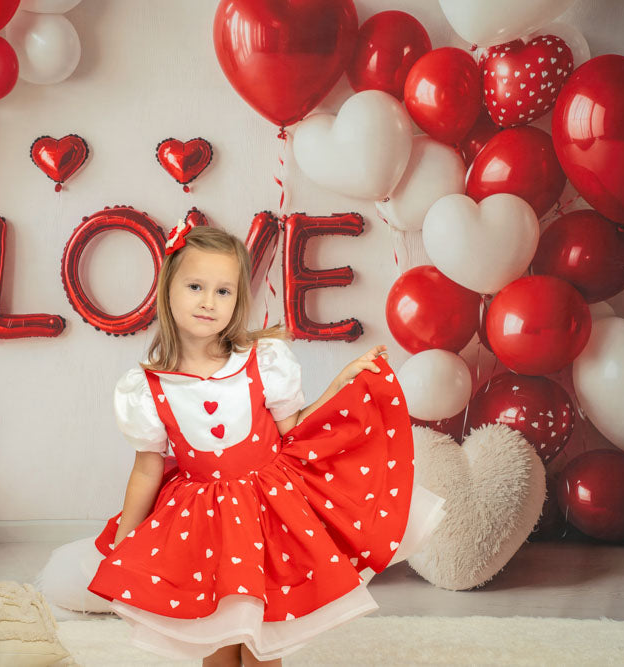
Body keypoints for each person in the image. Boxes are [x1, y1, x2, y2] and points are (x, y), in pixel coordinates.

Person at [81, 220, 447, 665]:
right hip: (203, 526)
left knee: (262, 644)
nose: (208, 301)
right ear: (168, 290)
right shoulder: (146, 387)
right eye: (195, 286)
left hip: (268, 517)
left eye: (223, 291)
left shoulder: (262, 361)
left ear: (237, 301)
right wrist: (124, 542)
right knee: (215, 644)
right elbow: (147, 468)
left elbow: (293, 429)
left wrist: (339, 385)